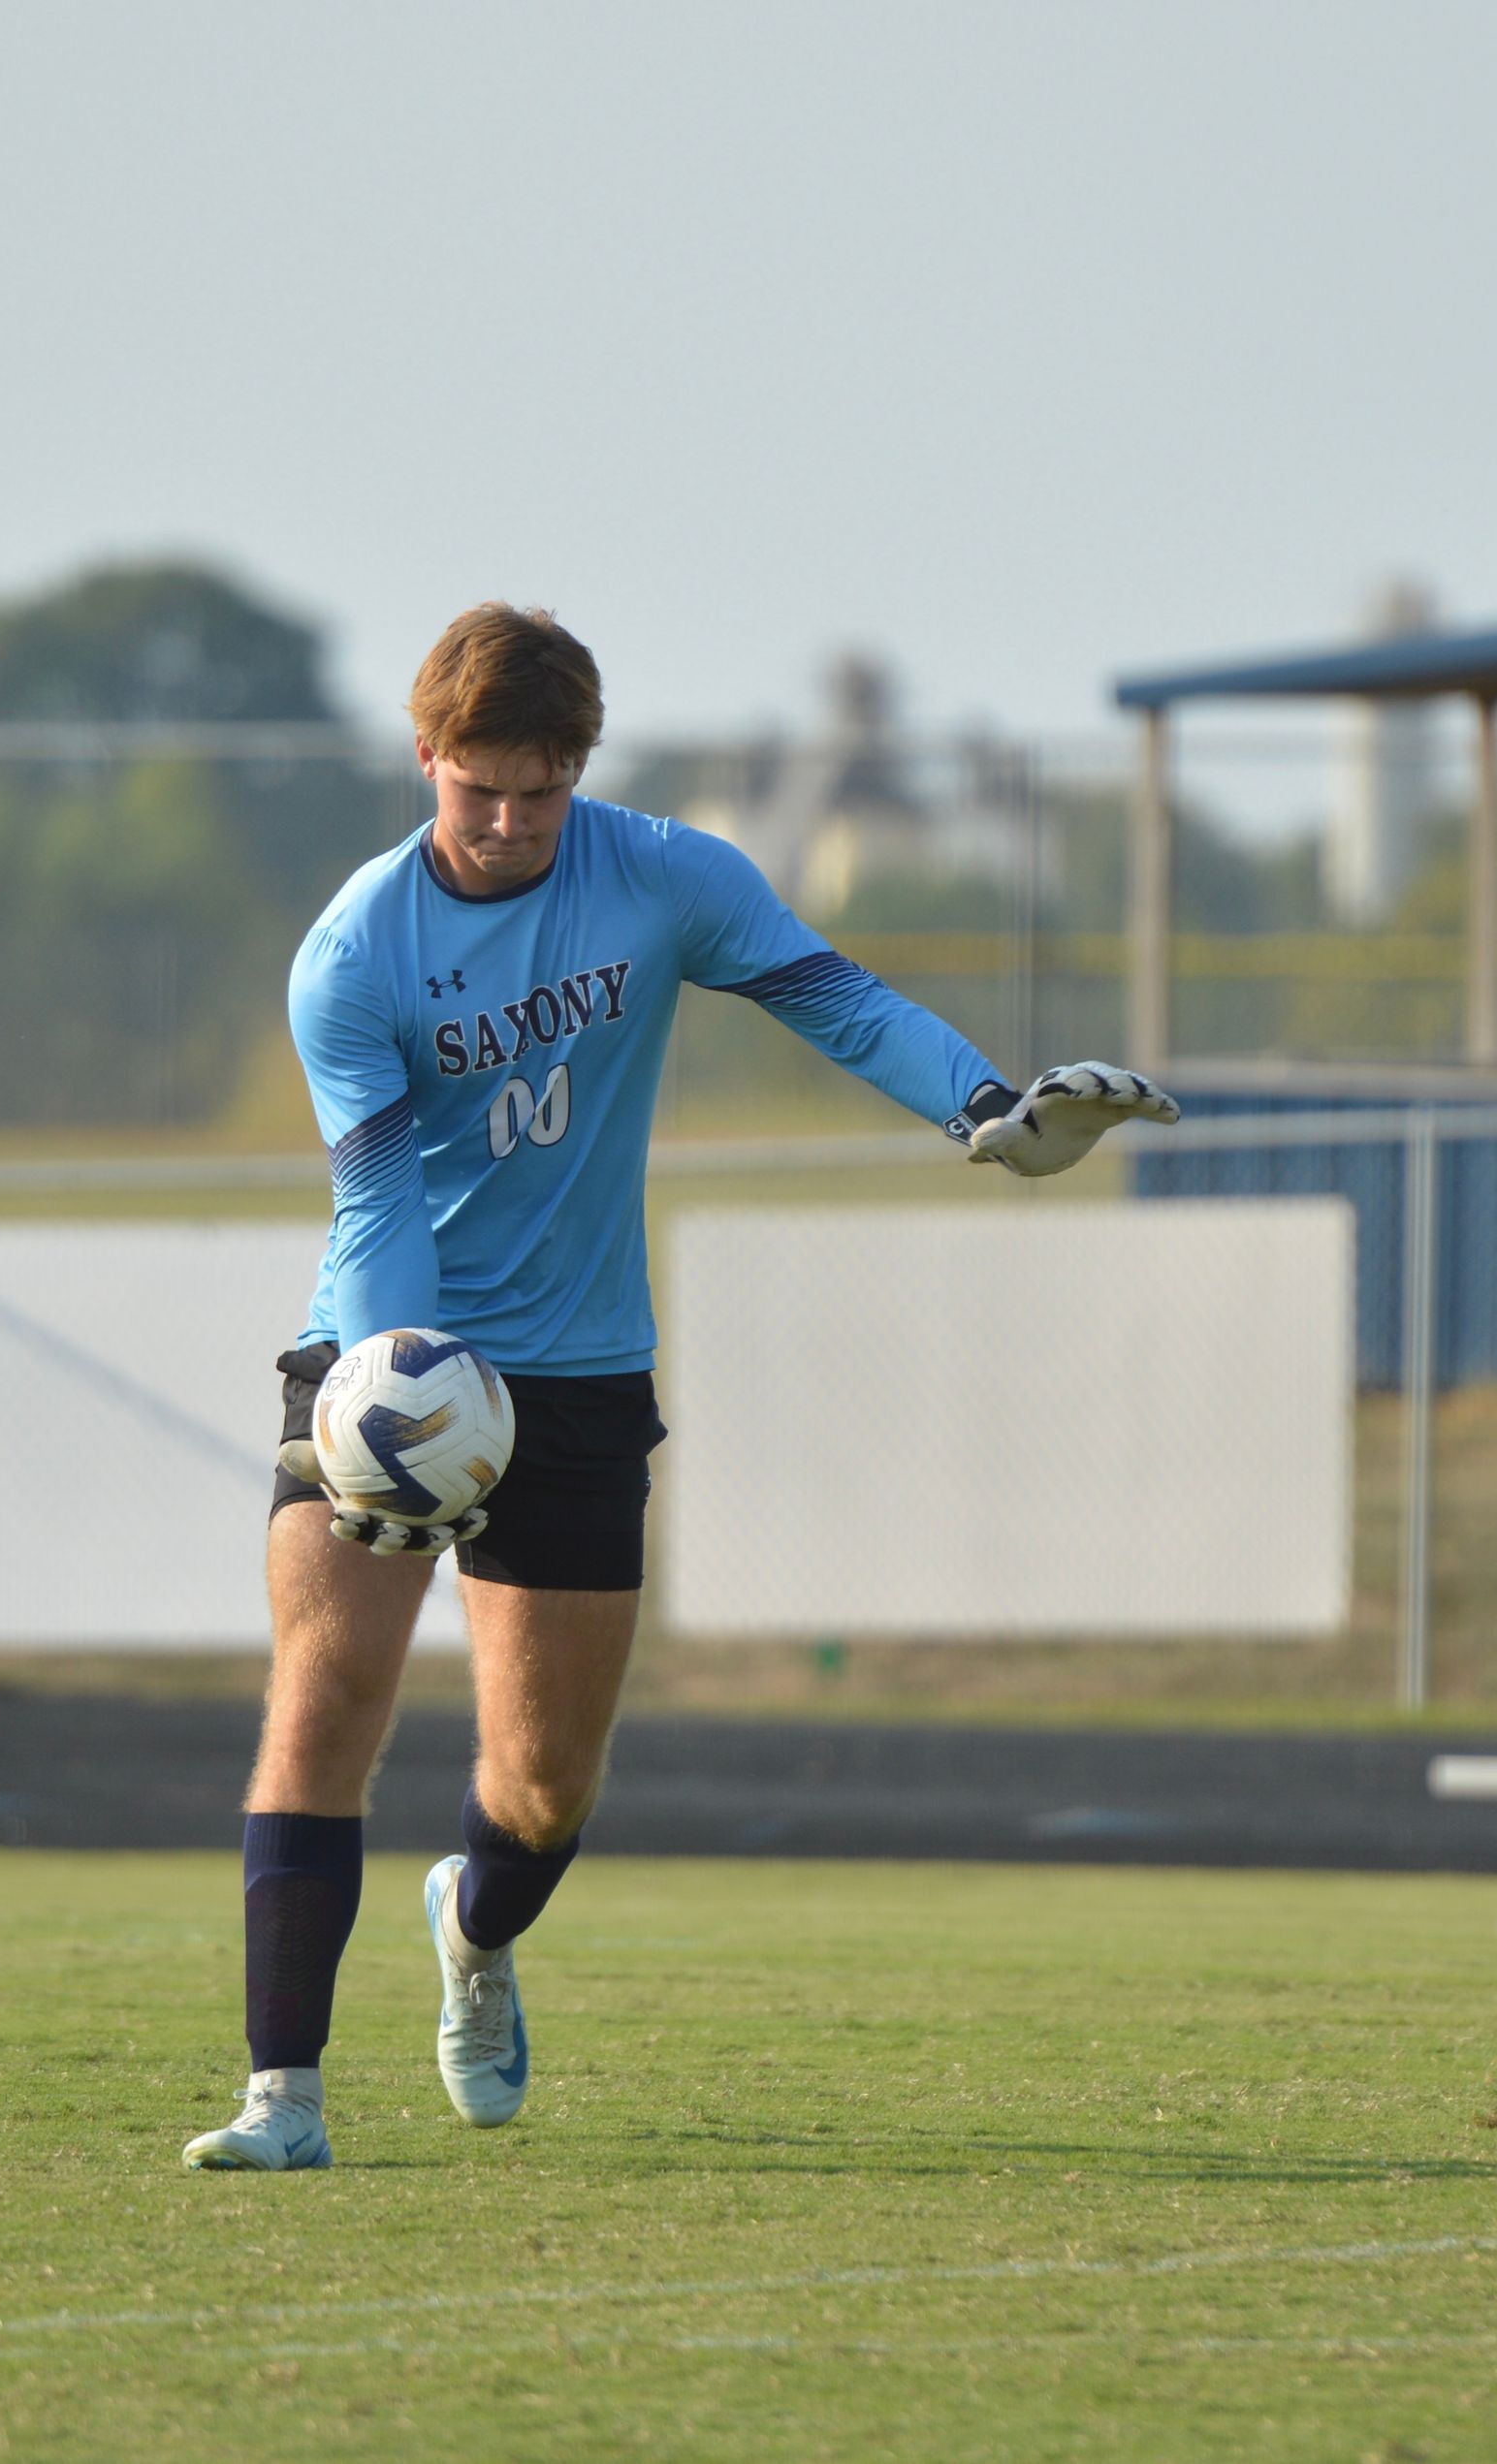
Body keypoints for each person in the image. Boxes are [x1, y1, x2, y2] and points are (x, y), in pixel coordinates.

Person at [184, 605, 1171, 2171]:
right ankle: (281, 2099)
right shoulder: (354, 953)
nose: (510, 823)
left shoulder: (662, 875)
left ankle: (475, 1928)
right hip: (388, 1358)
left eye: (542, 788)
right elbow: (376, 1201)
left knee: (545, 1786)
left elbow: (833, 995)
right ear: (425, 758)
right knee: (325, 1696)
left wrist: (983, 1105)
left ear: (582, 768)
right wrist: (400, 1389)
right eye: (479, 788)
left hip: (579, 1367)